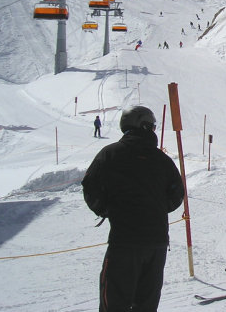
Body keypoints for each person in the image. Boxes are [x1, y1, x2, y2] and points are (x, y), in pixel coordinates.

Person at [82, 106, 185, 312]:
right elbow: (176, 194)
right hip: (156, 242)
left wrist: (107, 209)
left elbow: (91, 186)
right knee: (146, 302)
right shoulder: (161, 159)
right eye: (153, 127)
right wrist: (155, 209)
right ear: (145, 126)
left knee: (115, 299)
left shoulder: (110, 154)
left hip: (125, 240)